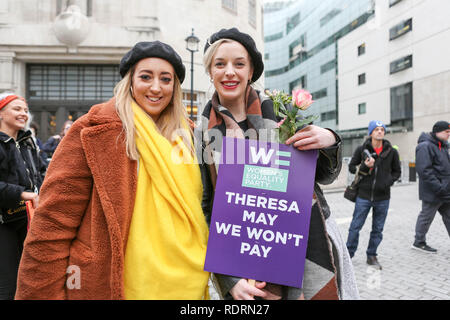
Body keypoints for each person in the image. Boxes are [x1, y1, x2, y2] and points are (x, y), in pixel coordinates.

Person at [15, 41, 210, 299]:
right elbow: (52, 223)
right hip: (114, 285)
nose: (155, 87)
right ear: (129, 81)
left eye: (166, 79)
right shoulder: (92, 130)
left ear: (174, 87)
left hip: (189, 285)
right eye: (145, 77)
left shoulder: (190, 137)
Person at [198, 28, 358, 300]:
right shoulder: (202, 131)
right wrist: (229, 280)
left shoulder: (282, 111)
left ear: (251, 71)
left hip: (309, 243)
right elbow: (207, 207)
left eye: (239, 64)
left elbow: (323, 175)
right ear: (210, 71)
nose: (229, 72)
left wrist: (329, 140)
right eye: (220, 64)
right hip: (244, 259)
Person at [0, 93, 44, 300]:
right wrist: (22, 193)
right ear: (1, 114)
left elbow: (42, 173)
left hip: (28, 219)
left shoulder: (28, 142)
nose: (23, 114)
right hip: (3, 223)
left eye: (25, 110)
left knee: (30, 279)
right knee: (7, 284)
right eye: (17, 109)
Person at [346, 120, 401, 269]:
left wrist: (387, 182)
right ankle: (348, 255)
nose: (379, 132)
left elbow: (397, 172)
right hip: (363, 196)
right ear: (371, 133)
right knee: (355, 227)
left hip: (383, 198)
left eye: (382, 129)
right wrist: (365, 165)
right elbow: (351, 167)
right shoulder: (361, 149)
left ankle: (372, 255)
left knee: (377, 229)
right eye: (376, 129)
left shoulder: (391, 151)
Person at [413, 120, 450, 253]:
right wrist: (439, 187)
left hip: (445, 191)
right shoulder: (425, 146)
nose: (448, 134)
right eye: (446, 132)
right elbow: (424, 170)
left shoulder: (443, 146)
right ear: (437, 132)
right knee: (426, 216)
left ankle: (419, 240)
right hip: (433, 191)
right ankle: (419, 242)